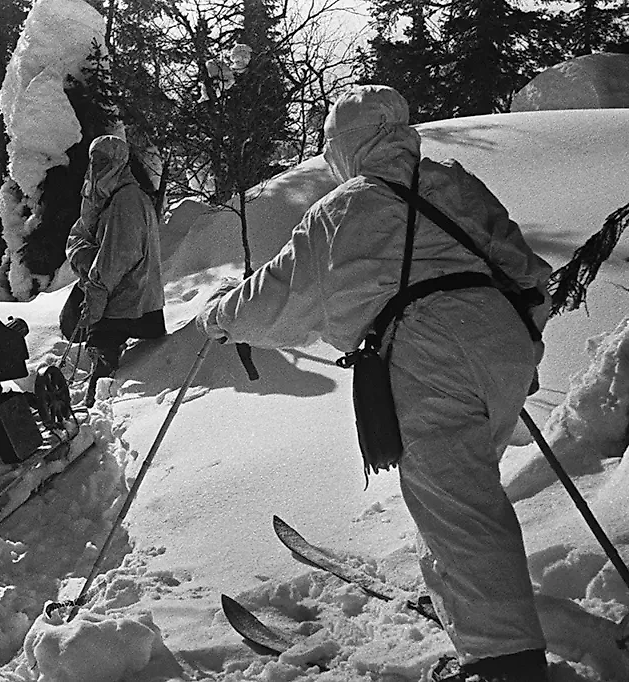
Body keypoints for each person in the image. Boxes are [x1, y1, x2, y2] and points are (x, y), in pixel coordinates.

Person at [196, 85, 552, 682]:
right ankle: (480, 635)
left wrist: (219, 318)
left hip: (427, 351)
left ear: (343, 147)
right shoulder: (452, 184)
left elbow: (278, 296)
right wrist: (515, 347)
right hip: (498, 339)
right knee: (456, 494)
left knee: (460, 508)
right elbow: (526, 270)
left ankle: (506, 666)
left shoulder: (341, 209)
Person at [64, 135, 166, 407]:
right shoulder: (107, 196)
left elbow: (117, 258)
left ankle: (98, 401)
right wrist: (85, 257)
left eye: (104, 161)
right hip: (129, 290)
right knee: (72, 317)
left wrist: (96, 296)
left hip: (133, 294)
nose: (97, 167)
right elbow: (77, 236)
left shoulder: (127, 200)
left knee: (99, 337)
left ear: (119, 162)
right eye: (94, 161)